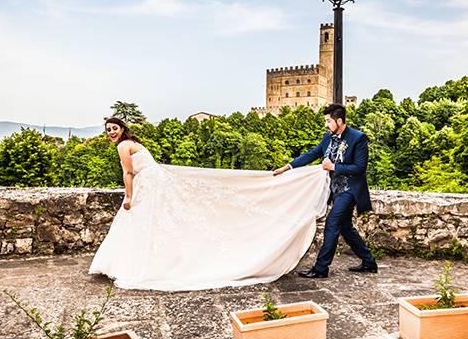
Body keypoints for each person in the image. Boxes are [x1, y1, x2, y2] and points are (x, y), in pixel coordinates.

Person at [88, 117, 330, 291]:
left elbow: (128, 174)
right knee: (160, 223)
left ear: (122, 129)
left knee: (148, 222)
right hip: (154, 180)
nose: (111, 132)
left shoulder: (123, 146)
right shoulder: (133, 143)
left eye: (114, 128)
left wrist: (128, 197)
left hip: (149, 184)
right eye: (108, 129)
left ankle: (139, 264)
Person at [273, 103, 378, 278]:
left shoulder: (358, 138)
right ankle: (369, 262)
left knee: (332, 223)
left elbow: (360, 168)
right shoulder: (327, 137)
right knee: (346, 228)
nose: (326, 125)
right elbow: (312, 154)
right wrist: (288, 167)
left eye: (328, 121)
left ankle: (321, 268)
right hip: (334, 191)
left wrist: (333, 166)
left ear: (339, 120)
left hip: (350, 190)